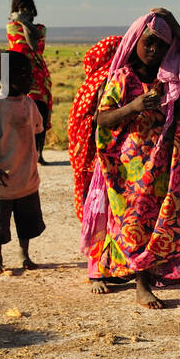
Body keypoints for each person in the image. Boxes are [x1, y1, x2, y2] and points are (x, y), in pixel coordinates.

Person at [80, 10, 180, 310]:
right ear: (136, 42)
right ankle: (141, 287)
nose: (155, 51)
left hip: (171, 166)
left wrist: (179, 31)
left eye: (161, 45)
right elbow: (101, 119)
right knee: (137, 225)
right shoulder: (122, 77)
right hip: (132, 171)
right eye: (149, 43)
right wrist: (134, 106)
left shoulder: (171, 76)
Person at [0, 50, 45, 274]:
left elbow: (38, 129)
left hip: (26, 175)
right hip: (3, 176)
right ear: (9, 78)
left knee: (27, 220)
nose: (31, 79)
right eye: (25, 75)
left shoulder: (29, 103)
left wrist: (35, 156)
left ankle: (24, 254)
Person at [68, 34, 122, 222]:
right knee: (100, 193)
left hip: (81, 150)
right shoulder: (109, 79)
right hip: (97, 149)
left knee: (89, 191)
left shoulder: (90, 80)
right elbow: (103, 116)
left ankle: (90, 231)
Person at [6, 0, 53, 165]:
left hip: (39, 76)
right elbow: (24, 47)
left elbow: (34, 46)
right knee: (22, 113)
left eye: (27, 7)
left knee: (41, 112)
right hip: (19, 75)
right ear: (15, 10)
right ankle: (23, 152)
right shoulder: (11, 27)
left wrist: (24, 21)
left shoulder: (41, 29)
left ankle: (39, 153)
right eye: (21, 8)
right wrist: (23, 23)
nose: (25, 10)